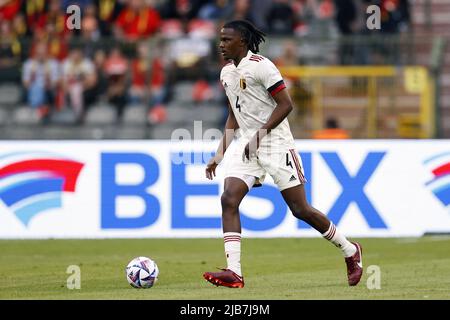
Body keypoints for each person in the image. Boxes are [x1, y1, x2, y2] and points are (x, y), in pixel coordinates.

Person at [203, 20, 363, 288]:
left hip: (276, 144)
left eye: (226, 40)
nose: (221, 45)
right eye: (220, 40)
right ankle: (235, 272)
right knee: (228, 199)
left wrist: (260, 135)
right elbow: (234, 115)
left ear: (241, 41)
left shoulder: (262, 66)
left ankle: (350, 250)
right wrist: (219, 155)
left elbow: (286, 104)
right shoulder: (226, 73)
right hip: (247, 146)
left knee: (300, 210)